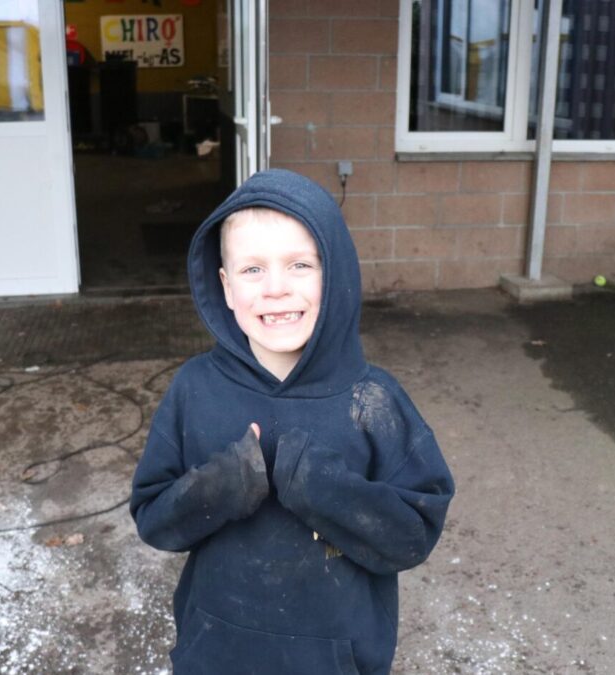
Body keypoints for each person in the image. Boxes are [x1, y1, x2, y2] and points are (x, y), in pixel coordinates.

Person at [130, 169, 455, 675]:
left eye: (300, 265)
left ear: (335, 274)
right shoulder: (195, 389)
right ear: (226, 285)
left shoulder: (373, 401)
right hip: (216, 653)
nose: (276, 289)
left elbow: (412, 536)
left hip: (333, 660)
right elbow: (154, 519)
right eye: (252, 269)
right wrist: (224, 484)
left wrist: (321, 487)